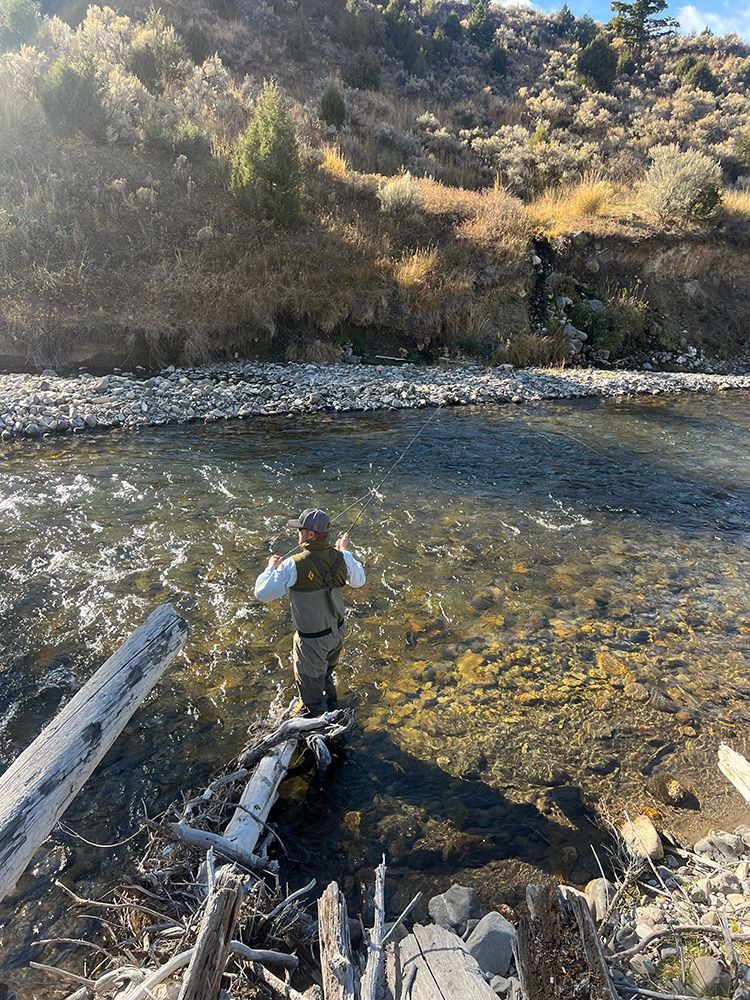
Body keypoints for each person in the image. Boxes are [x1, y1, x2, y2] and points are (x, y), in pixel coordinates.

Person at [254, 508, 366, 716]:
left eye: (301, 530)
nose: (298, 533)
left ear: (311, 535)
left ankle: (321, 727)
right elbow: (359, 581)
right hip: (337, 634)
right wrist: (345, 552)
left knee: (311, 695)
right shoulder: (343, 558)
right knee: (325, 675)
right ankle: (333, 707)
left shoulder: (293, 565)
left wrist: (270, 568)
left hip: (312, 641)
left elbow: (262, 593)